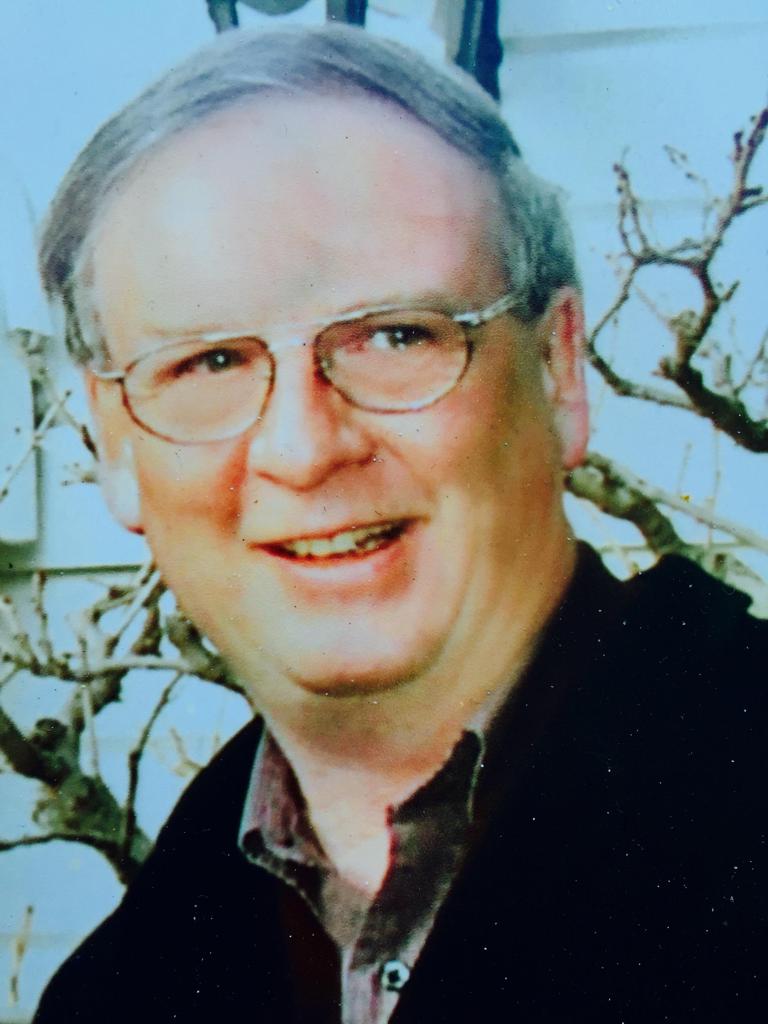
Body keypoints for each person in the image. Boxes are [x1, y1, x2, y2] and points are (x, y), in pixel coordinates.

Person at [33, 22, 767, 1024]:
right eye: (210, 362)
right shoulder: (116, 993)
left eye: (394, 336)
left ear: (558, 371)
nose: (304, 447)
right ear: (115, 445)